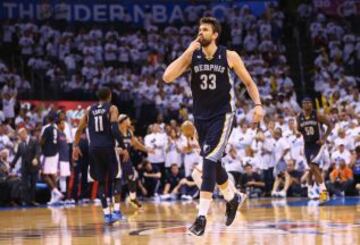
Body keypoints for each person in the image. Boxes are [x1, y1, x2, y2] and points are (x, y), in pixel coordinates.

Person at [163, 17, 264, 236]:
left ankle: (201, 217)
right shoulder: (193, 55)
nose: (201, 33)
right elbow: (167, 77)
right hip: (201, 118)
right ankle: (232, 197)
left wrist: (258, 105)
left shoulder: (229, 56)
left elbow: (248, 82)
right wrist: (186, 51)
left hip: (223, 114)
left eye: (205, 30)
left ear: (215, 34)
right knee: (214, 162)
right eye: (199, 29)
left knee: (208, 160)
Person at [72, 87, 127, 224]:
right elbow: (114, 129)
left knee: (101, 181)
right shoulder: (112, 108)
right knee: (117, 178)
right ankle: (116, 211)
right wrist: (123, 146)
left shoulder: (89, 110)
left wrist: (75, 146)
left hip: (94, 149)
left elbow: (79, 129)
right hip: (108, 147)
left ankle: (107, 214)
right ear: (109, 96)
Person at [297, 97, 334, 203]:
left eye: (308, 103)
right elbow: (299, 129)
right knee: (313, 168)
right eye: (304, 103)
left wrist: (324, 138)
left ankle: (324, 193)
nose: (306, 105)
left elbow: (330, 125)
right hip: (307, 145)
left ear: (312, 105)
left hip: (318, 144)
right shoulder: (299, 117)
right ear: (302, 105)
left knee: (313, 165)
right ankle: (317, 191)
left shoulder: (317, 115)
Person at [117, 114, 153, 208]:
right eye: (128, 119)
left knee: (132, 177)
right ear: (123, 121)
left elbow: (136, 144)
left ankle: (132, 198)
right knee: (117, 182)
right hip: (117, 160)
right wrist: (116, 150)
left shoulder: (129, 132)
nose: (130, 121)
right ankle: (113, 204)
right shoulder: (116, 132)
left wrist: (146, 149)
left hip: (126, 160)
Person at [11, 128, 41, 205]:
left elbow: (38, 151)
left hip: (33, 166)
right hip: (25, 167)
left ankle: (32, 200)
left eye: (20, 135)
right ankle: (25, 200)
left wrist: (36, 158)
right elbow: (17, 156)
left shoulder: (34, 141)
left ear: (24, 133)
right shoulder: (20, 144)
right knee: (24, 184)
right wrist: (12, 165)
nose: (19, 137)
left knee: (33, 184)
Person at [41, 112, 62, 205]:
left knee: (44, 175)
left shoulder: (47, 128)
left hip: (48, 153)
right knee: (52, 175)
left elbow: (42, 141)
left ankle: (56, 192)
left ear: (48, 119)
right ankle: (54, 197)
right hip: (55, 153)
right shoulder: (56, 129)